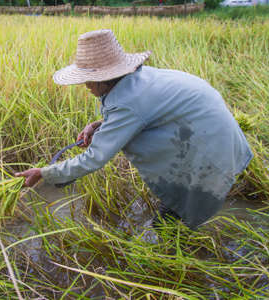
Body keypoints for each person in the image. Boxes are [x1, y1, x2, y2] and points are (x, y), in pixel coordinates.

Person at [15, 29, 253, 229]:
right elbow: (148, 113)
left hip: (209, 147)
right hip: (218, 135)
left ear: (105, 77)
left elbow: (93, 159)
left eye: (88, 79)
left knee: (168, 221)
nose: (85, 86)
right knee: (173, 214)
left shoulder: (127, 103)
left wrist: (44, 173)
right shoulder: (137, 80)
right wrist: (99, 125)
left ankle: (180, 270)